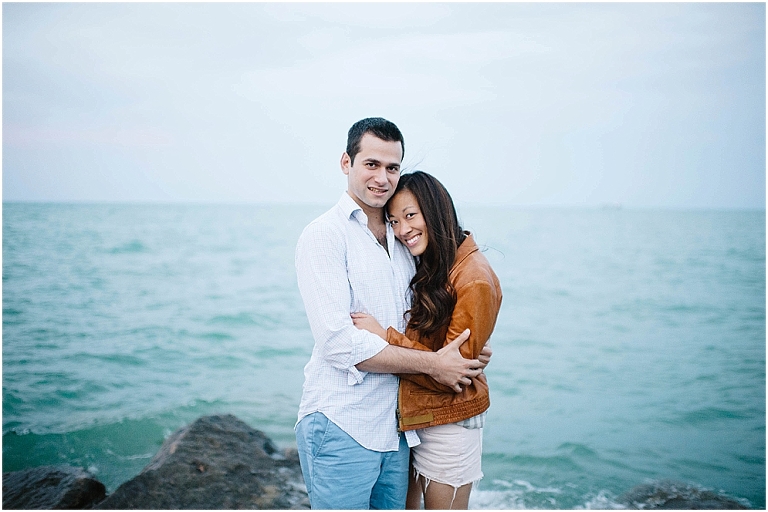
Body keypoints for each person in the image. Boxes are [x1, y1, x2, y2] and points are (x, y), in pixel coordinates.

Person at [294, 118, 492, 510]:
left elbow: (421, 318)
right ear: (346, 163)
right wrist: (434, 364)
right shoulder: (324, 235)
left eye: (392, 167)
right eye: (371, 164)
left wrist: (464, 353)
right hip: (342, 423)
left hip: (399, 430)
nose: (382, 178)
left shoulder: (403, 237)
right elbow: (338, 344)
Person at [352, 171, 502, 510]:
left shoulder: (473, 277)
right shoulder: (435, 263)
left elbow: (452, 374)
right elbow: (444, 352)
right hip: (420, 419)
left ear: (435, 211)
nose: (402, 230)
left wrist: (384, 337)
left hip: (450, 422)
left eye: (410, 215)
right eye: (393, 221)